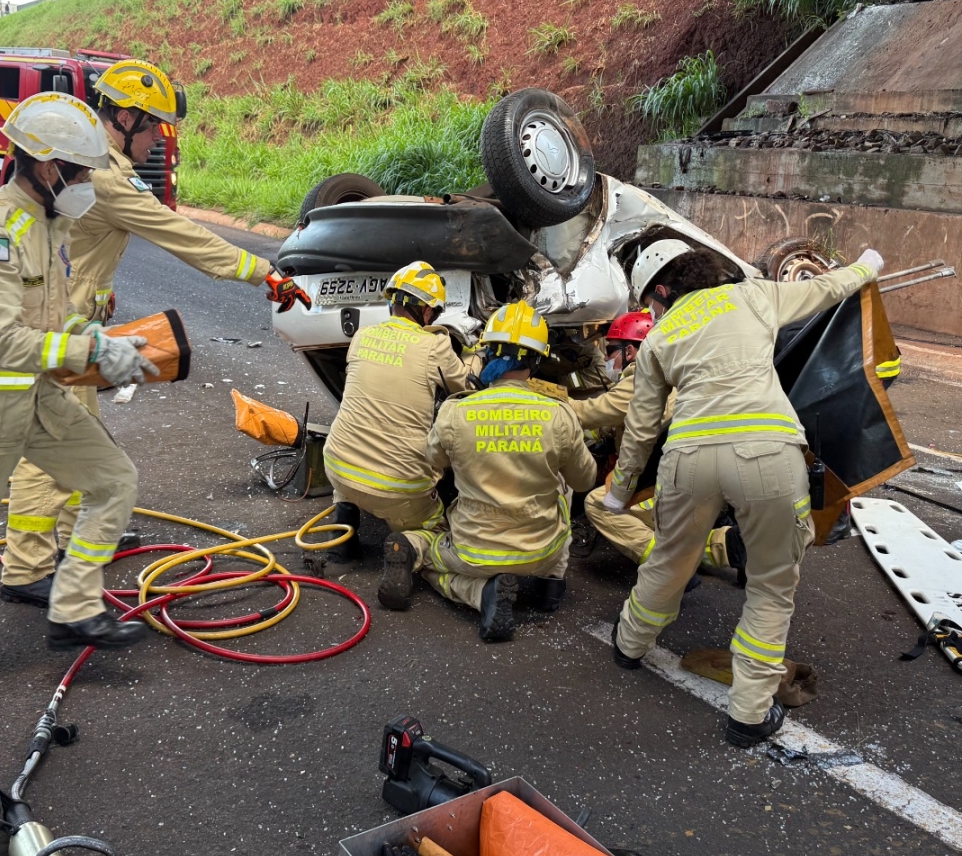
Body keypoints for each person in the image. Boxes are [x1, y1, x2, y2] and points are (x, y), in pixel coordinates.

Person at [0, 61, 311, 608]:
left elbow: (75, 244)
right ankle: (25, 570)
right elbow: (183, 234)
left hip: (69, 317)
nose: (158, 141)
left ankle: (74, 538)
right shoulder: (107, 175)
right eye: (152, 129)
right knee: (50, 448)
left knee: (80, 436)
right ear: (123, 116)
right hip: (55, 329)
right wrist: (264, 272)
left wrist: (96, 289)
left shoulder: (90, 164)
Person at [0, 93, 155, 706]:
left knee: (113, 479)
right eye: (82, 170)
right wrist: (91, 356)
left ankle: (72, 608)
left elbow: (49, 317)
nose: (89, 181)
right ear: (48, 169)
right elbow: (0, 339)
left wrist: (91, 335)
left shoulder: (48, 226)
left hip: (32, 403)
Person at [603, 240, 883, 747]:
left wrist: (619, 496)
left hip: (688, 459)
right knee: (772, 584)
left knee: (669, 559)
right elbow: (826, 289)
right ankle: (749, 714)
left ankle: (629, 644)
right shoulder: (753, 296)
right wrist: (866, 265)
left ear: (663, 290)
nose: (653, 312)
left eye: (651, 302)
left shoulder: (662, 334)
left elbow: (641, 430)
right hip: (768, 454)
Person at [378, 301, 598, 642]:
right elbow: (585, 479)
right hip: (542, 553)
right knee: (563, 488)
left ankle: (477, 591)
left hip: (473, 552)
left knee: (429, 560)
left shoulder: (456, 411)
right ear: (537, 361)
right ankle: (552, 584)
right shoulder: (560, 415)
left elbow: (433, 461)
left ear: (487, 354)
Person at [577, 312, 744, 578]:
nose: (607, 359)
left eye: (610, 351)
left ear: (629, 351)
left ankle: (671, 567)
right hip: (700, 478)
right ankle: (724, 539)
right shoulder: (676, 374)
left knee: (600, 504)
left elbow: (591, 413)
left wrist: (549, 406)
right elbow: (614, 425)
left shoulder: (639, 380)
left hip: (666, 484)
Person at [323, 262, 468, 551]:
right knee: (436, 531)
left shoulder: (361, 336)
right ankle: (406, 546)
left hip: (337, 468)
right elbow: (466, 389)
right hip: (399, 489)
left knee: (351, 453)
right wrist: (474, 357)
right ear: (427, 311)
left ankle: (343, 531)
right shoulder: (435, 346)